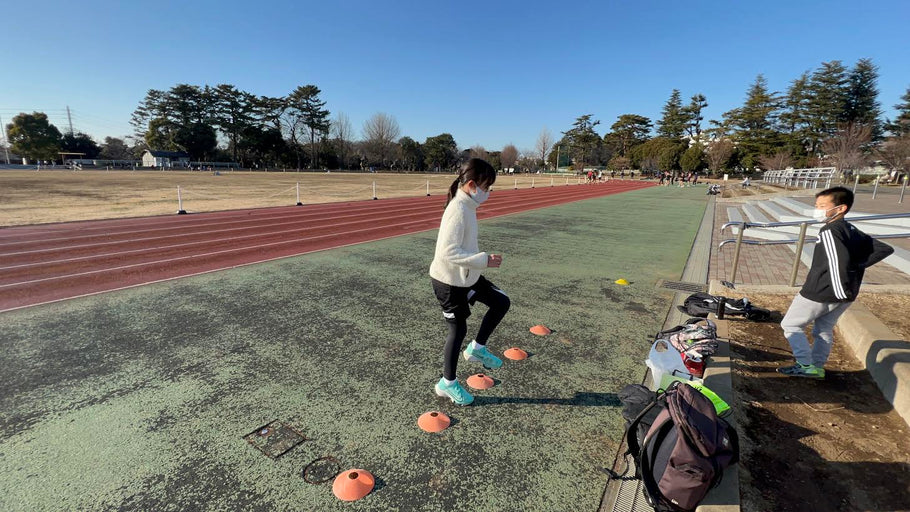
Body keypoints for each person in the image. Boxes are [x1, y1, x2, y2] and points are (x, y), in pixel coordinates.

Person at [778, 187, 894, 379]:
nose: (818, 210)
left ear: (840, 208)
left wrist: (841, 285)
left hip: (821, 291)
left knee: (790, 325)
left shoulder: (829, 231)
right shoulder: (850, 229)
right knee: (823, 329)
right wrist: (857, 267)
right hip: (844, 293)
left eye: (823, 206)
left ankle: (805, 365)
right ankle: (817, 366)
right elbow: (884, 248)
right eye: (817, 206)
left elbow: (837, 262)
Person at [429, 158, 510, 405]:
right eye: (486, 187)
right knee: (458, 330)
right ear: (472, 185)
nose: (488, 193)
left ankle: (477, 349)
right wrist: (483, 260)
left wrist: (479, 262)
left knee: (501, 302)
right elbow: (447, 253)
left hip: (466, 278)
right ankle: (447, 383)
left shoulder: (468, 206)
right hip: (448, 282)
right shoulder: (458, 210)